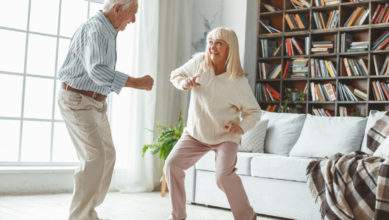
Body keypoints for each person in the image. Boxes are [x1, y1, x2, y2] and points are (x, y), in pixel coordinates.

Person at [57, 0, 153, 219]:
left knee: (107, 155)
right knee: (94, 158)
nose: (134, 19)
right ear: (117, 8)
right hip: (77, 100)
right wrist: (137, 82)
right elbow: (98, 71)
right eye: (132, 13)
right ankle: (81, 215)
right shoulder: (97, 29)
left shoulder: (108, 29)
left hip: (95, 102)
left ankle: (88, 208)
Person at [165, 27, 261, 220]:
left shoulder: (237, 81)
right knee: (172, 165)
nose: (212, 47)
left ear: (229, 48)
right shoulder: (199, 62)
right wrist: (184, 83)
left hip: (225, 136)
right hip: (196, 133)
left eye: (219, 43)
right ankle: (178, 217)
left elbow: (254, 112)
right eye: (210, 42)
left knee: (223, 177)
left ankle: (247, 217)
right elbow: (175, 75)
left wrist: (240, 127)